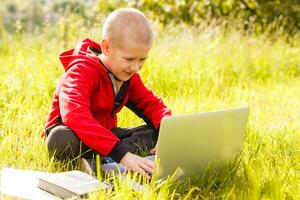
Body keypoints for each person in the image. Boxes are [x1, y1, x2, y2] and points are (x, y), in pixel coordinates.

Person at [43, 7, 171, 178]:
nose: (135, 67)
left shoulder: (128, 76)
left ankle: (101, 162)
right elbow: (75, 116)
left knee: (157, 131)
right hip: (75, 137)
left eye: (142, 60)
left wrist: (167, 129)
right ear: (106, 47)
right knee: (60, 138)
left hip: (106, 138)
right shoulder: (80, 71)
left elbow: (152, 105)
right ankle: (111, 160)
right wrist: (123, 154)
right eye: (129, 59)